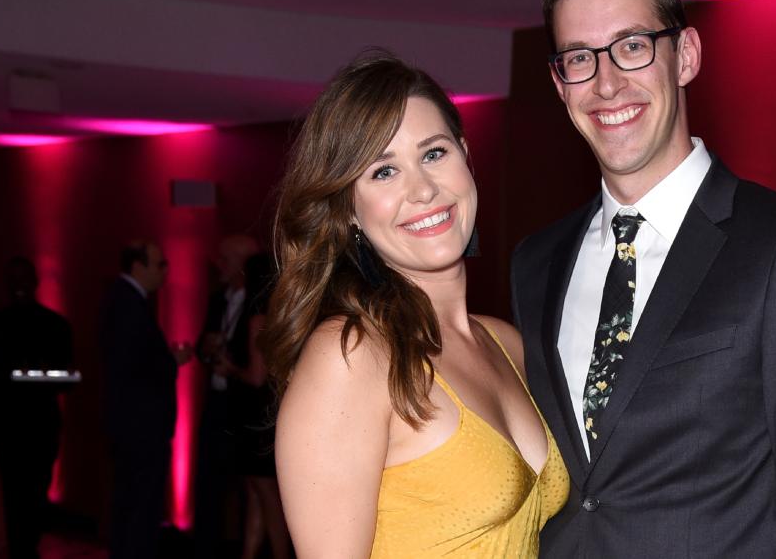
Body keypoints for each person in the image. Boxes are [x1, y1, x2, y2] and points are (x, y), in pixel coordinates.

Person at [510, 0, 776, 556]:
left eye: (631, 47)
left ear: (684, 55)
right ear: (559, 82)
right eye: (579, 59)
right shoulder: (536, 264)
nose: (607, 84)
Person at [268, 52, 569, 557]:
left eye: (433, 154)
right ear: (350, 211)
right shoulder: (350, 357)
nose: (424, 189)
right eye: (383, 172)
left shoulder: (508, 343)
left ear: (466, 157)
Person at [101, 240, 189, 559]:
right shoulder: (129, 304)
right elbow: (134, 363)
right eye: (160, 264)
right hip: (141, 427)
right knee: (140, 507)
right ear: (139, 266)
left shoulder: (123, 300)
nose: (165, 271)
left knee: (130, 503)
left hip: (131, 425)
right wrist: (172, 361)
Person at [0, 256, 74, 559]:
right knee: (16, 493)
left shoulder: (52, 325)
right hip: (13, 426)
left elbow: (68, 375)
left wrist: (27, 377)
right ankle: (22, 547)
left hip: (37, 425)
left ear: (34, 282)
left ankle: (26, 545)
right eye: (13, 280)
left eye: (22, 279)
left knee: (34, 490)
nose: (18, 287)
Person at [214, 252, 290, 559]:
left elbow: (257, 377)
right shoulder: (282, 312)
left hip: (258, 417)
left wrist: (229, 368)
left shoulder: (258, 316)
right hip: (269, 415)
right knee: (258, 495)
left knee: (265, 495)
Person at [192, 233, 259, 559]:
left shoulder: (260, 303)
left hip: (246, 407)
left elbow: (261, 368)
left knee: (253, 490)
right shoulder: (218, 299)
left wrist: (232, 366)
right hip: (216, 404)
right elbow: (200, 345)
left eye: (226, 260)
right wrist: (205, 349)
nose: (220, 265)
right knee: (208, 483)